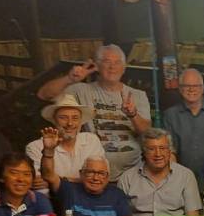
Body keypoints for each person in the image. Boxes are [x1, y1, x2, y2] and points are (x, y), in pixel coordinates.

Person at [36, 44, 152, 179]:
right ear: (97, 66)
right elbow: (44, 94)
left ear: (124, 68)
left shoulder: (137, 95)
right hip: (93, 173)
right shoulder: (81, 90)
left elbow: (146, 132)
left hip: (132, 173)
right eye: (107, 62)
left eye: (117, 62)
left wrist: (133, 114)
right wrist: (69, 79)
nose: (112, 67)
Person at [40, 128, 138, 216]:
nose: (95, 178)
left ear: (108, 177)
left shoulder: (116, 194)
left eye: (101, 173)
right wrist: (48, 151)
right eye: (90, 172)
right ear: (81, 174)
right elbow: (48, 174)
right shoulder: (69, 190)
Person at [162, 68, 204, 193]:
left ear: (202, 88)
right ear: (180, 88)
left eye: (196, 86)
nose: (191, 89)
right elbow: (169, 150)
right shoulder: (170, 115)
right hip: (182, 182)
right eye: (186, 86)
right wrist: (175, 177)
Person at [117, 128, 202, 216]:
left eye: (162, 148)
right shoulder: (127, 178)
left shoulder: (186, 175)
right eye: (151, 149)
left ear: (169, 151)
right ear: (144, 152)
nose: (158, 154)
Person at [25, 93, 104, 189]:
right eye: (63, 118)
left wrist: (56, 180)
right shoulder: (35, 147)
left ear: (80, 121)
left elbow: (100, 179)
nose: (70, 123)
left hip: (86, 197)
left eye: (75, 118)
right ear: (54, 120)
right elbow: (39, 184)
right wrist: (81, 180)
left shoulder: (91, 141)